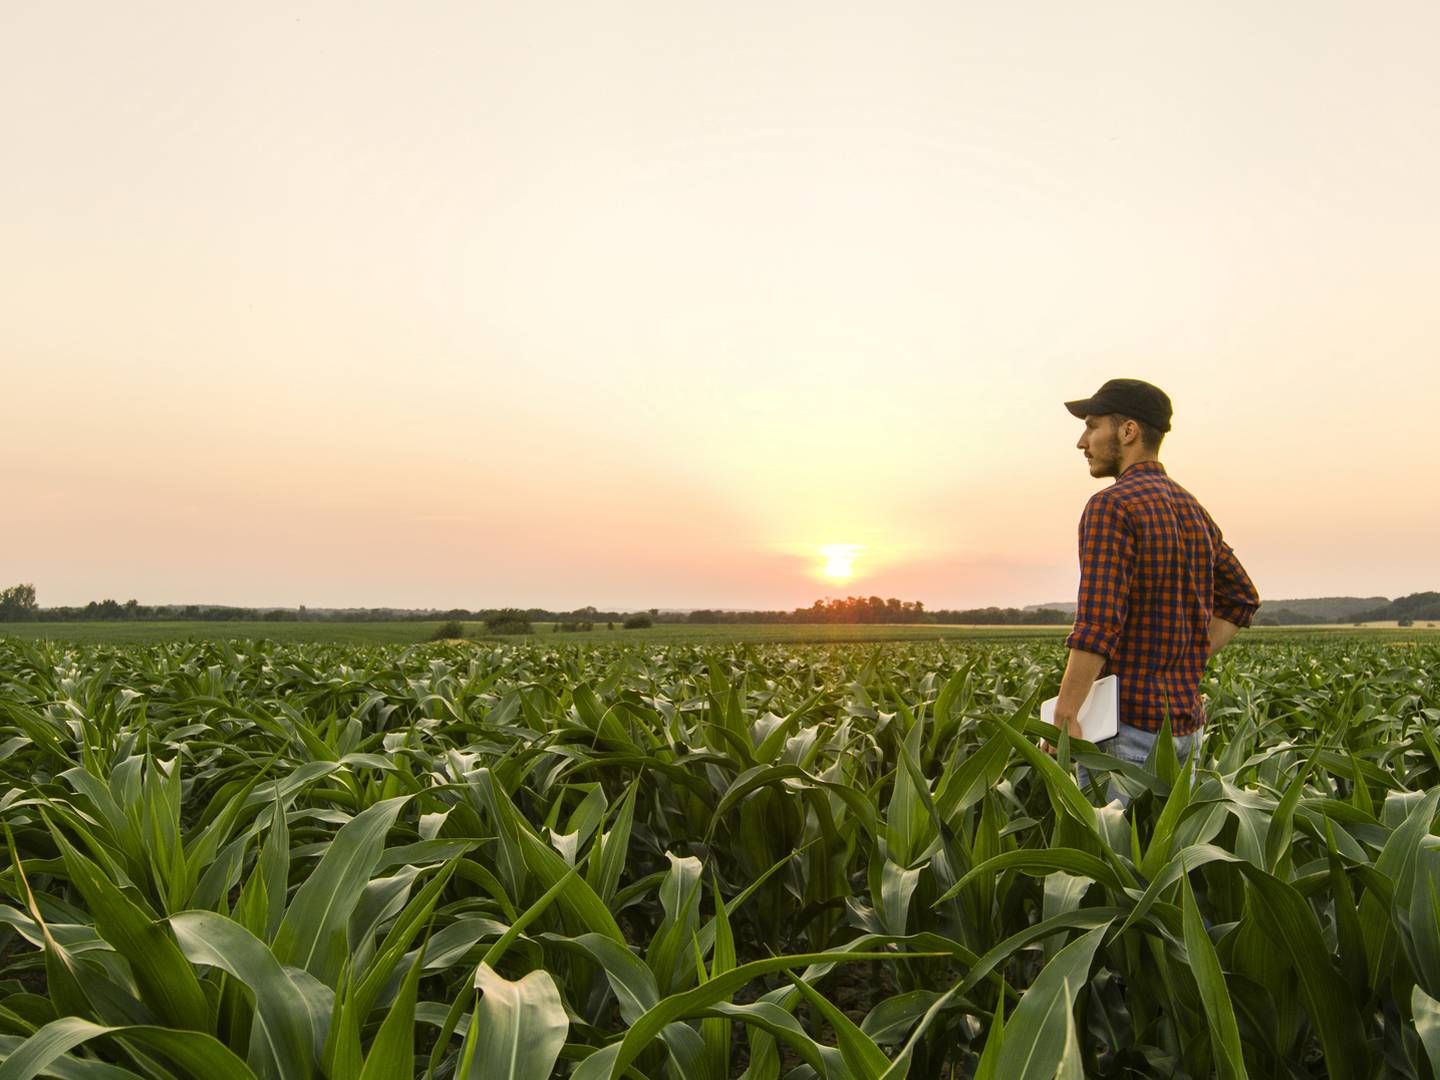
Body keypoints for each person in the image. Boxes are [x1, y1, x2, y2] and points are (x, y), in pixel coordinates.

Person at [1052, 378, 1259, 801]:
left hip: (1124, 735)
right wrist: (1186, 656)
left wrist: (1065, 713)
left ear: (1128, 432)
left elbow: (1098, 623)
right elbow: (1242, 597)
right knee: (1168, 861)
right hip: (1185, 733)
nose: (1081, 441)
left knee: (1110, 860)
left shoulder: (1111, 506)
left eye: (1092, 426)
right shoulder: (1191, 508)